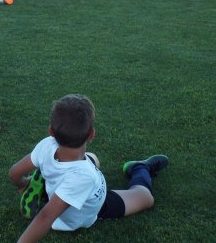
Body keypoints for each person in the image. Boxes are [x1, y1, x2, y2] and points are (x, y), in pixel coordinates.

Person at [9, 94, 169, 242]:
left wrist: (22, 184)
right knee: (146, 197)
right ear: (91, 134)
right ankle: (140, 168)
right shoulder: (84, 177)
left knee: (92, 158)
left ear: (51, 131)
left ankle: (43, 185)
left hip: (62, 182)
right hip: (95, 203)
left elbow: (14, 172)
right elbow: (45, 217)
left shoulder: (46, 145)